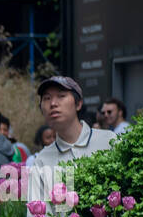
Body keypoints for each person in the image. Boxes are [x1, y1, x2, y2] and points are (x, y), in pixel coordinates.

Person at [27, 75, 118, 205]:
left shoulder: (108, 141)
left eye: (61, 96)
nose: (53, 103)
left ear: (78, 103)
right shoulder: (41, 161)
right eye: (47, 98)